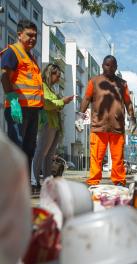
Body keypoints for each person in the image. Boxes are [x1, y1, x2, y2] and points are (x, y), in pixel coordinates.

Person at [77, 55, 136, 186]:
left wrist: (132, 118)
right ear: (102, 65)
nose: (110, 67)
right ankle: (93, 182)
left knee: (118, 158)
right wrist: (80, 116)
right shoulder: (94, 81)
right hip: (99, 126)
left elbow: (128, 102)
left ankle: (119, 181)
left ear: (116, 67)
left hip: (117, 126)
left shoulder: (122, 84)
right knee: (96, 157)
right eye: (107, 64)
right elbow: (86, 99)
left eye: (113, 65)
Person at [0, 20, 43, 193]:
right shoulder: (13, 52)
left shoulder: (31, 57)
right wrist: (13, 100)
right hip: (18, 108)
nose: (33, 39)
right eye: (29, 35)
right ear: (19, 34)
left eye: (35, 35)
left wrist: (41, 108)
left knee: (28, 149)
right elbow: (4, 76)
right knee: (16, 148)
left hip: (32, 109)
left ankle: (22, 187)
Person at [31, 64, 74, 190]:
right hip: (47, 123)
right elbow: (47, 105)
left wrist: (61, 103)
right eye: (57, 75)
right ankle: (34, 181)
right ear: (50, 73)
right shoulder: (43, 86)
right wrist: (62, 102)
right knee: (41, 152)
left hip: (54, 124)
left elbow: (55, 105)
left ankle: (47, 180)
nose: (58, 78)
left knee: (49, 154)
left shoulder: (51, 89)